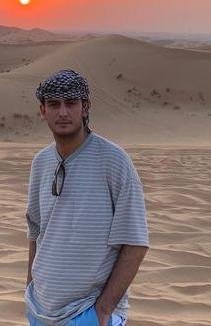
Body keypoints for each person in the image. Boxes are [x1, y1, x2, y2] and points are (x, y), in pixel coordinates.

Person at [24, 69, 150, 326]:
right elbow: (35, 231)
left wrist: (103, 310)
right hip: (39, 311)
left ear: (85, 107)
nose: (62, 112)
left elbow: (135, 242)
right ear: (43, 110)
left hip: (88, 313)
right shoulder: (41, 162)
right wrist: (30, 290)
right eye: (54, 104)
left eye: (71, 103)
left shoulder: (114, 161)